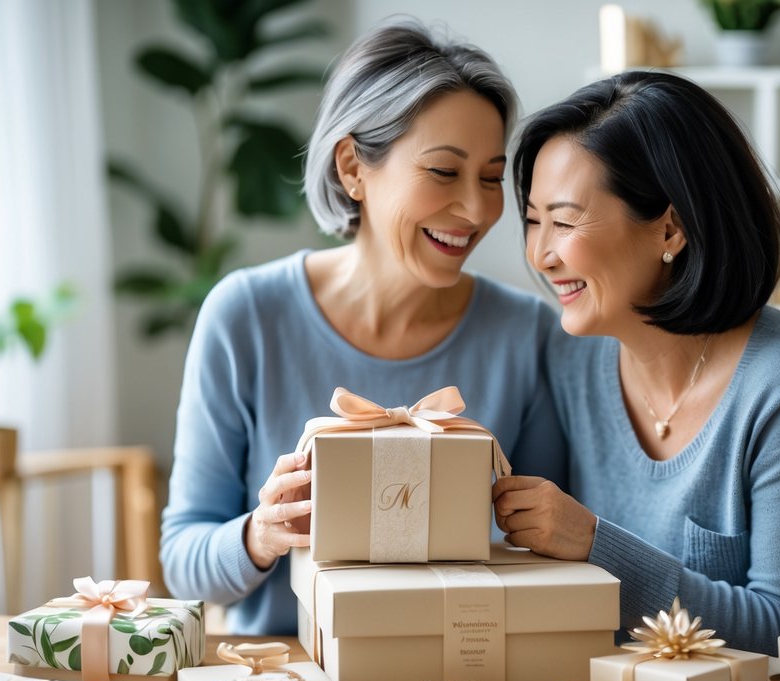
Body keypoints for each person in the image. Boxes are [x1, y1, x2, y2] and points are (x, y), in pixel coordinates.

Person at [160, 21, 566, 635]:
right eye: (443, 172)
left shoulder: (528, 333)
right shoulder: (245, 315)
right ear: (353, 167)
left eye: (490, 177)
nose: (479, 210)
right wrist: (259, 534)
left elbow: (543, 559)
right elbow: (183, 563)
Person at [493, 71, 780, 655]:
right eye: (532, 220)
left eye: (566, 221)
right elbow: (529, 544)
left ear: (670, 228)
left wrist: (598, 546)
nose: (542, 255)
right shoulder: (571, 360)